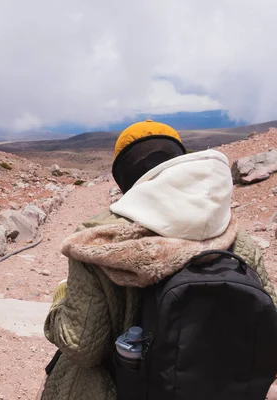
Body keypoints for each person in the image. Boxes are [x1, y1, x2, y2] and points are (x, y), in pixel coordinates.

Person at [37, 120, 277, 400]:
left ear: (123, 175)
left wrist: (58, 306)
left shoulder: (98, 239)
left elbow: (82, 346)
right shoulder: (233, 233)